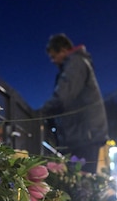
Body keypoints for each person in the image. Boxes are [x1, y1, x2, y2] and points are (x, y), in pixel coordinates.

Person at [39, 33, 109, 174]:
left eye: (53, 56)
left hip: (84, 136)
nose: (53, 61)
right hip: (84, 134)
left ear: (64, 50)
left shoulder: (76, 63)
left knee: (81, 180)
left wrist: (40, 113)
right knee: (82, 181)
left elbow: (63, 96)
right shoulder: (79, 63)